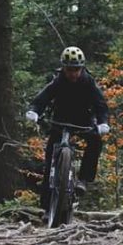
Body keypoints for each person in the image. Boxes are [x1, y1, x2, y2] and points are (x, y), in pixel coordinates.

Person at [26, 46, 110, 208]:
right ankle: (45, 207)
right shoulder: (58, 80)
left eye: (77, 69)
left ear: (82, 68)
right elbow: (43, 98)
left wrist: (103, 123)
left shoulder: (88, 81)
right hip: (60, 121)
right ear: (63, 68)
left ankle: (84, 179)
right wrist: (34, 111)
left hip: (83, 121)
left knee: (95, 141)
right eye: (69, 69)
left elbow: (101, 105)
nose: (73, 73)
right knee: (50, 158)